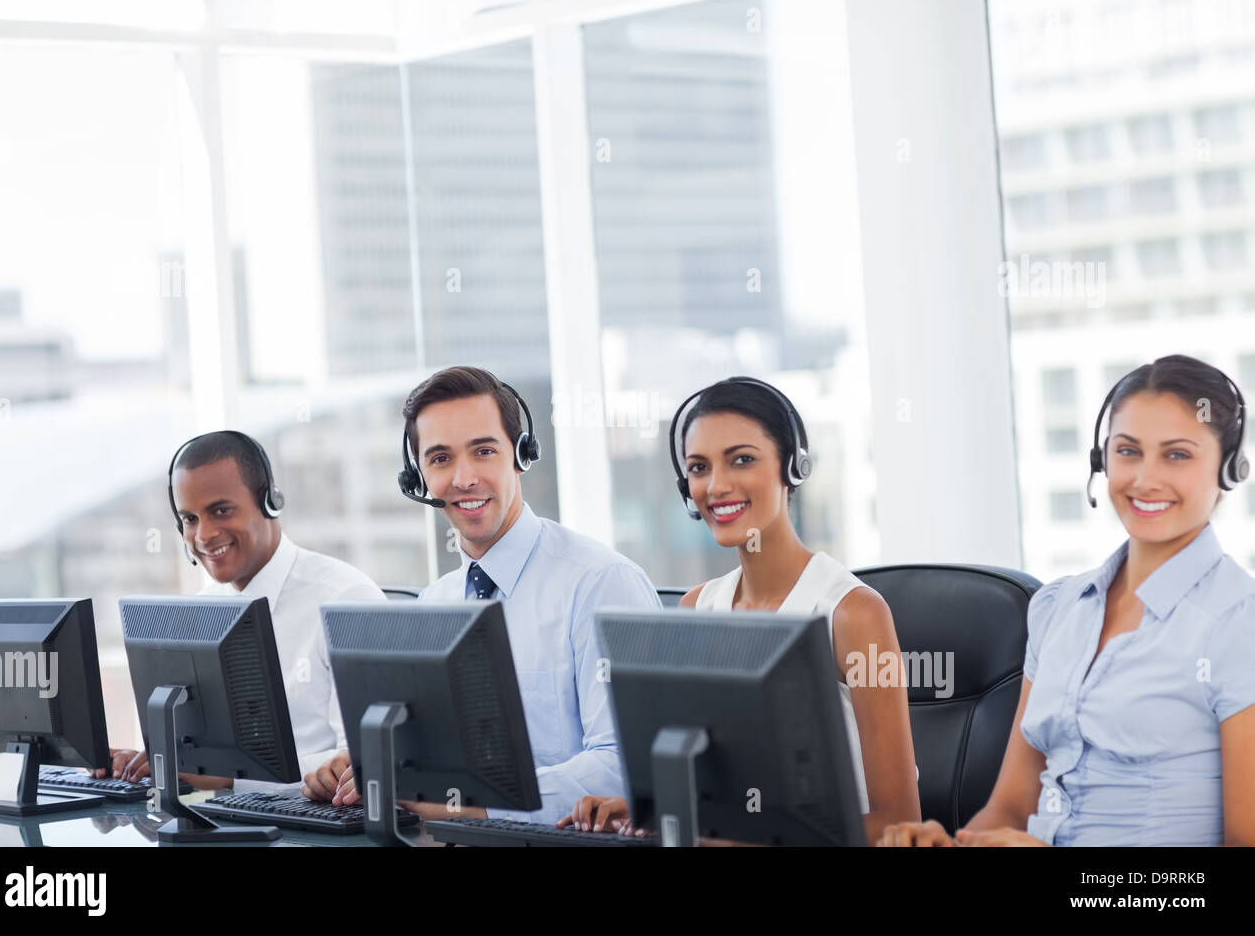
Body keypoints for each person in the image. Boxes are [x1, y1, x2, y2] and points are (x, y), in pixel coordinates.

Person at [880, 354, 1255, 846]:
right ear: (1102, 461)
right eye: (1127, 451)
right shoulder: (1060, 608)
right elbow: (1011, 807)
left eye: (1177, 455)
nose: (1145, 478)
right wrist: (950, 843)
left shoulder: (1238, 621)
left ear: (1228, 471)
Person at [560, 377, 921, 844]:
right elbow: (710, 792)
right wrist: (641, 809)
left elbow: (899, 824)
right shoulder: (696, 608)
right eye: (698, 467)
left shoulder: (853, 614)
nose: (716, 486)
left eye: (742, 460)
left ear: (792, 467)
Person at [302, 367, 660, 824]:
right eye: (440, 458)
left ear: (521, 455)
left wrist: (475, 808)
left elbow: (625, 765)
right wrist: (356, 766)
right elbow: (423, 758)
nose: (464, 478)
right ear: (420, 478)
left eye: (483, 451)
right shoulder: (434, 605)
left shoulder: (601, 583)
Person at [98, 430, 385, 789]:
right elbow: (189, 753)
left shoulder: (345, 598)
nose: (204, 534)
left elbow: (365, 763)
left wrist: (227, 778)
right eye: (190, 519)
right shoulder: (199, 615)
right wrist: (141, 763)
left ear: (270, 502)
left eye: (221, 511)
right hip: (221, 826)